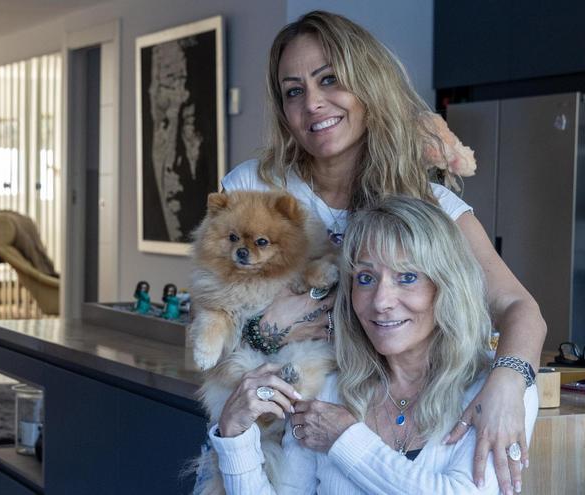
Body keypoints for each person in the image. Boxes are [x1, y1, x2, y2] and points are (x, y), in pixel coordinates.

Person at [219, 10, 546, 493]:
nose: (313, 103)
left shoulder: (428, 203)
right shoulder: (252, 189)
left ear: (366, 83)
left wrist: (509, 382)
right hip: (287, 410)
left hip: (401, 403)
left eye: (330, 79)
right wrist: (268, 333)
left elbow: (520, 307)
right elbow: (216, 325)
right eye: (294, 91)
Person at [209, 196, 539, 494]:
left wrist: (345, 438)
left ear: (447, 285)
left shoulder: (497, 392)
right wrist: (236, 437)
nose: (381, 301)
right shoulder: (329, 384)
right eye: (365, 278)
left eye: (407, 277)